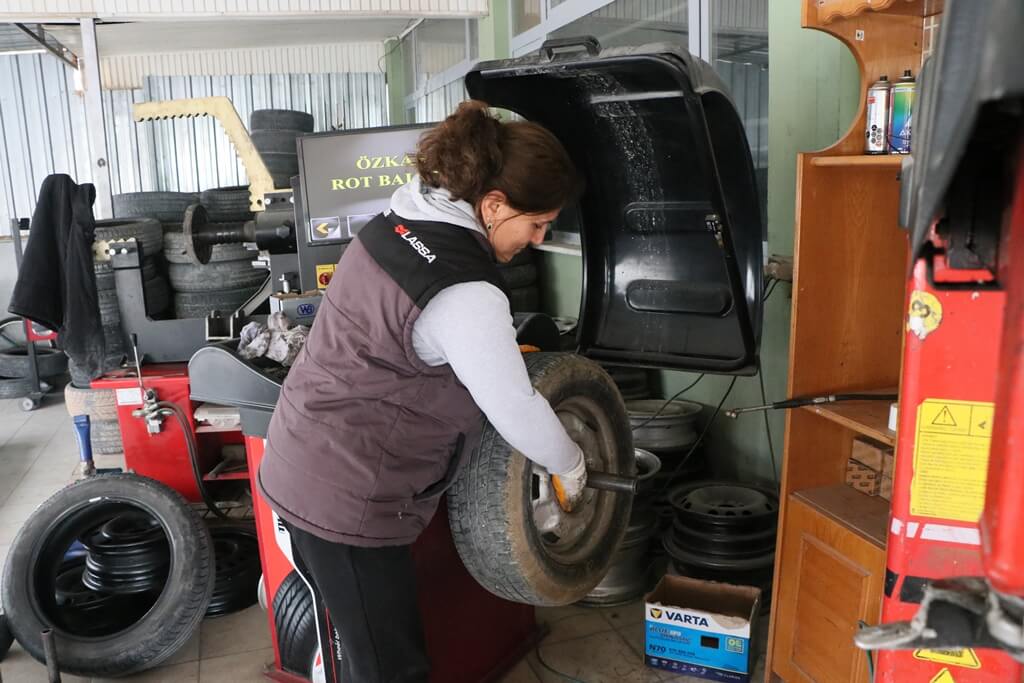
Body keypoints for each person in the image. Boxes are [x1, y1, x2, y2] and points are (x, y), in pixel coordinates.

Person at [257, 100, 588, 683]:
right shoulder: (465, 291)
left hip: (301, 460)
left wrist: (494, 353)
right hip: (347, 500)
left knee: (361, 652)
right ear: (492, 205)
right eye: (537, 223)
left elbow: (408, 335)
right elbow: (515, 408)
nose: (538, 239)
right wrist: (572, 463)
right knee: (392, 670)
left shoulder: (400, 218)